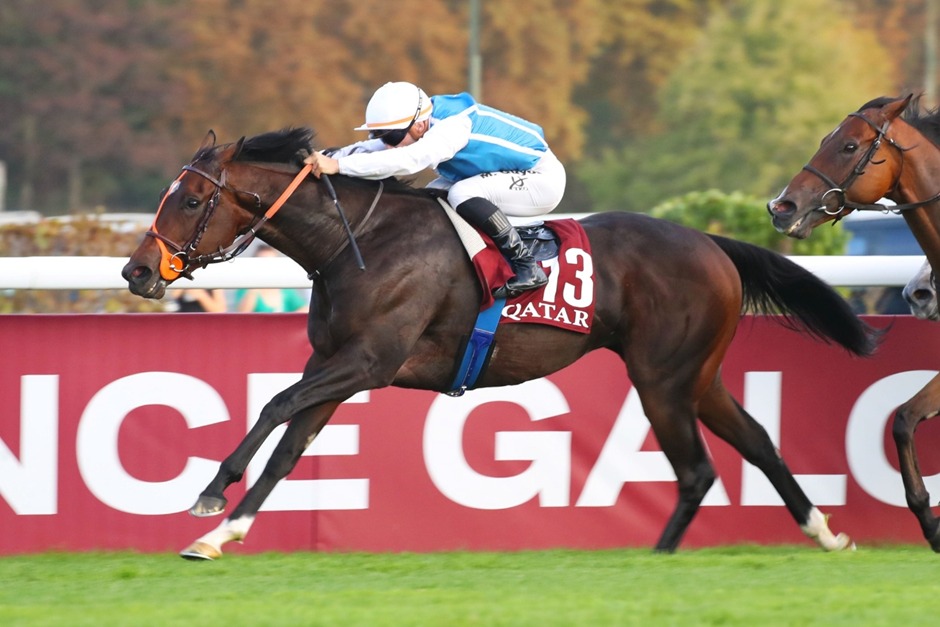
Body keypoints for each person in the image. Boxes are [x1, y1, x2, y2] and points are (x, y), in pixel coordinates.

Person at [304, 81, 567, 297]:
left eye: (391, 137)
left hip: (541, 178)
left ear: (419, 125)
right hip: (500, 172)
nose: (387, 144)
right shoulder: (422, 120)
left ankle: (526, 265)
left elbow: (408, 160)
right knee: (428, 197)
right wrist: (321, 155)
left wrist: (338, 166)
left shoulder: (451, 128)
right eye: (381, 136)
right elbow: (374, 149)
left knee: (461, 194)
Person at [235, 244, 309, 313]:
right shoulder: (247, 289)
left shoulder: (285, 290)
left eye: (271, 263)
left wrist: (286, 321)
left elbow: (305, 309)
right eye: (261, 263)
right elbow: (242, 314)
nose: (266, 268)